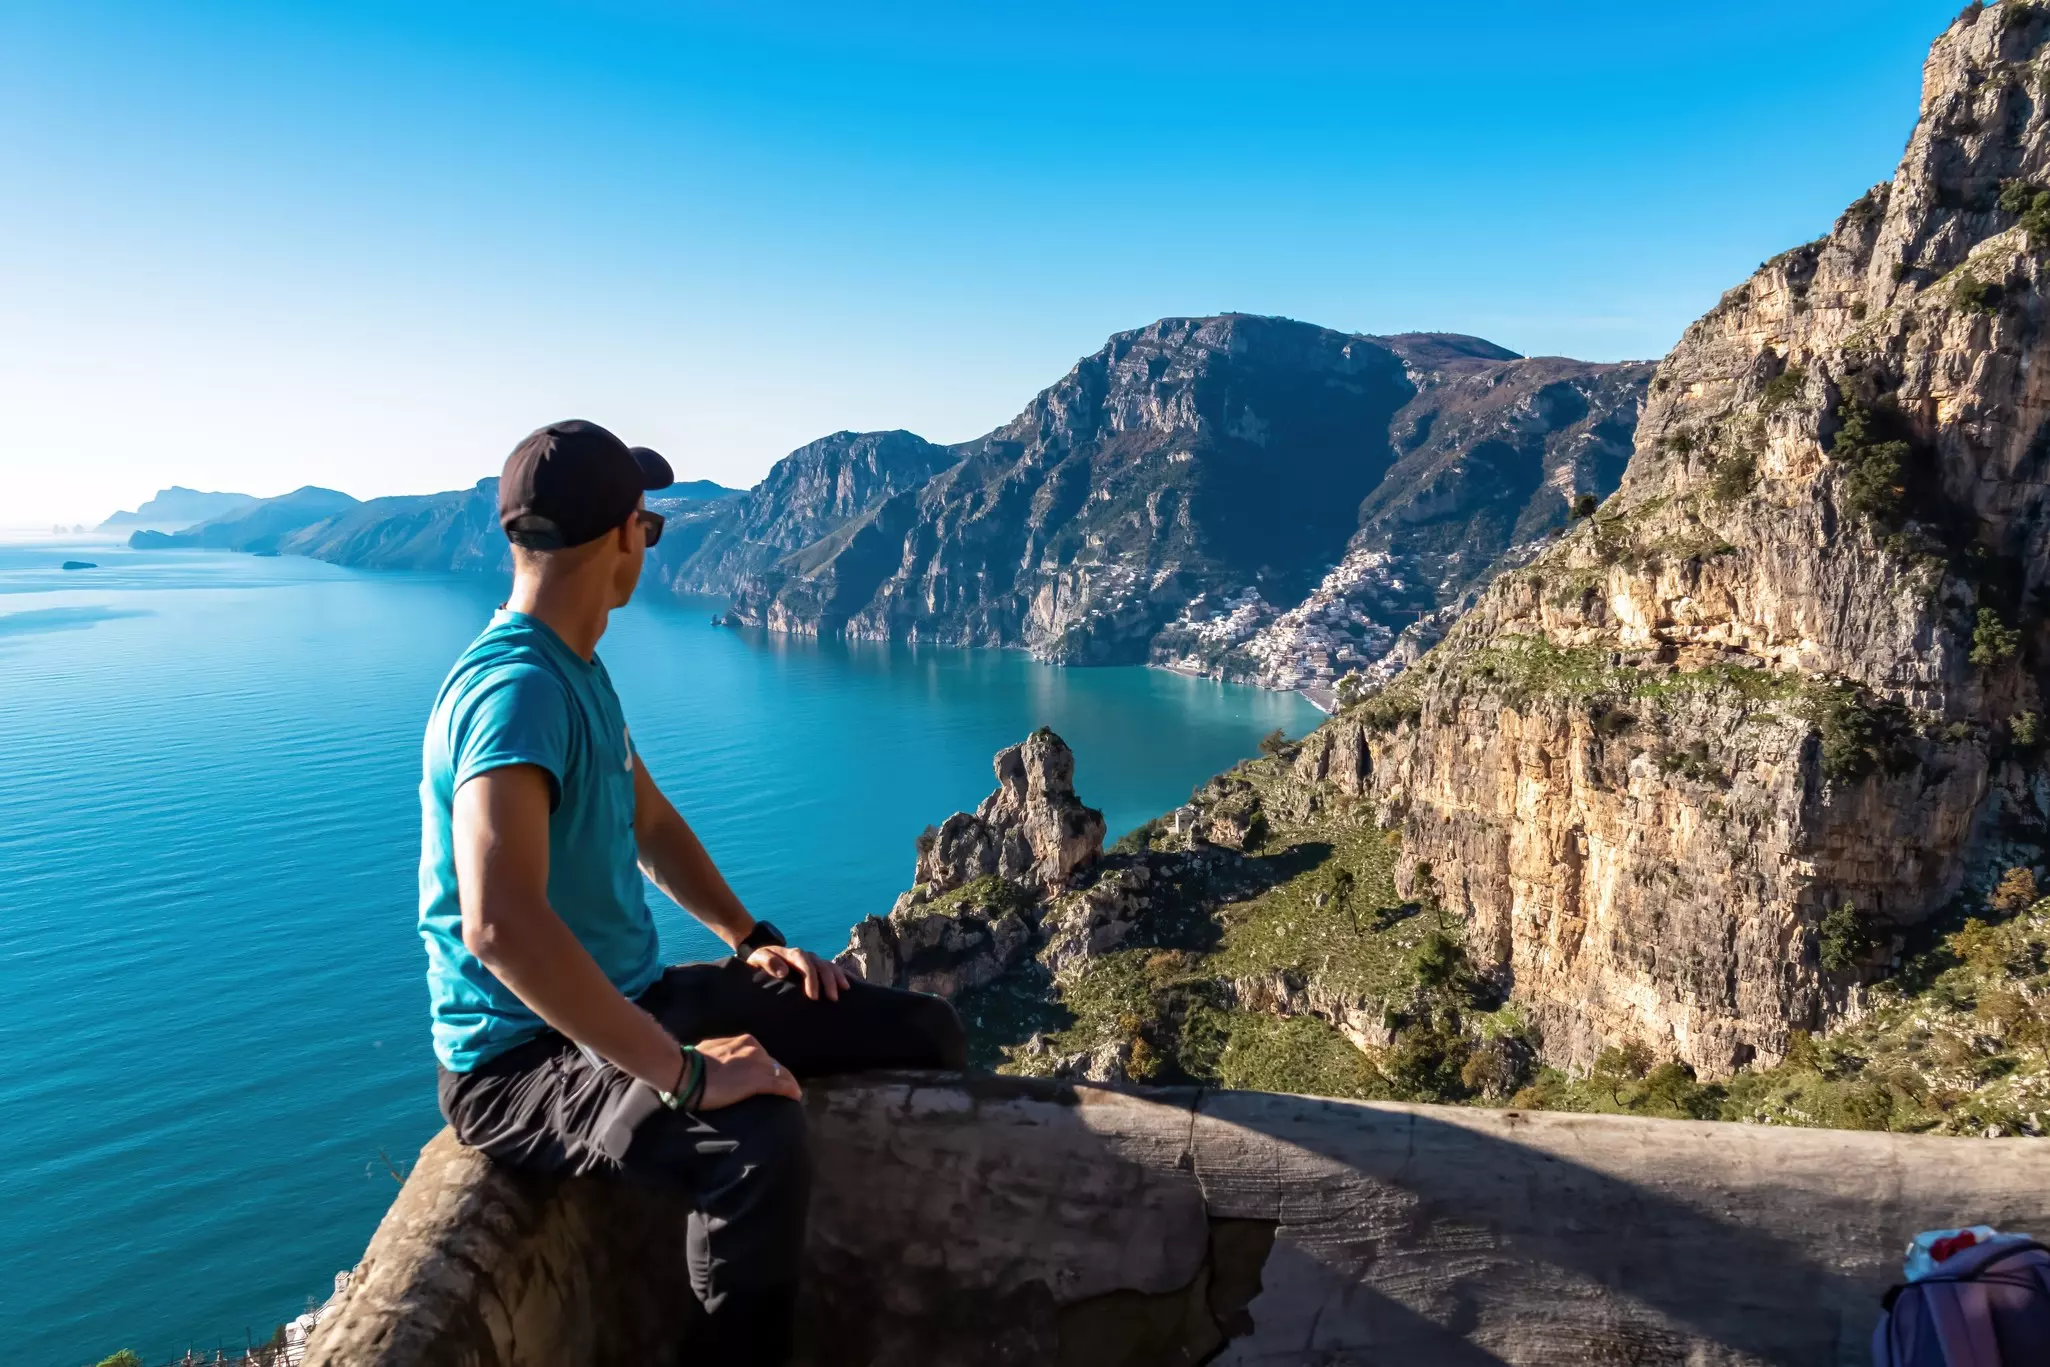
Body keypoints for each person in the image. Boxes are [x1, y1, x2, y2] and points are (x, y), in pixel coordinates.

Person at [417, 420, 966, 1365]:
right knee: (757, 1146)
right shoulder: (516, 693)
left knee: (918, 1032)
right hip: (522, 1060)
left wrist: (751, 935)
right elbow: (501, 924)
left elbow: (652, 828)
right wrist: (687, 1074)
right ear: (625, 538)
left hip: (631, 1000)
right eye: (651, 523)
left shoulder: (575, 671)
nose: (651, 539)